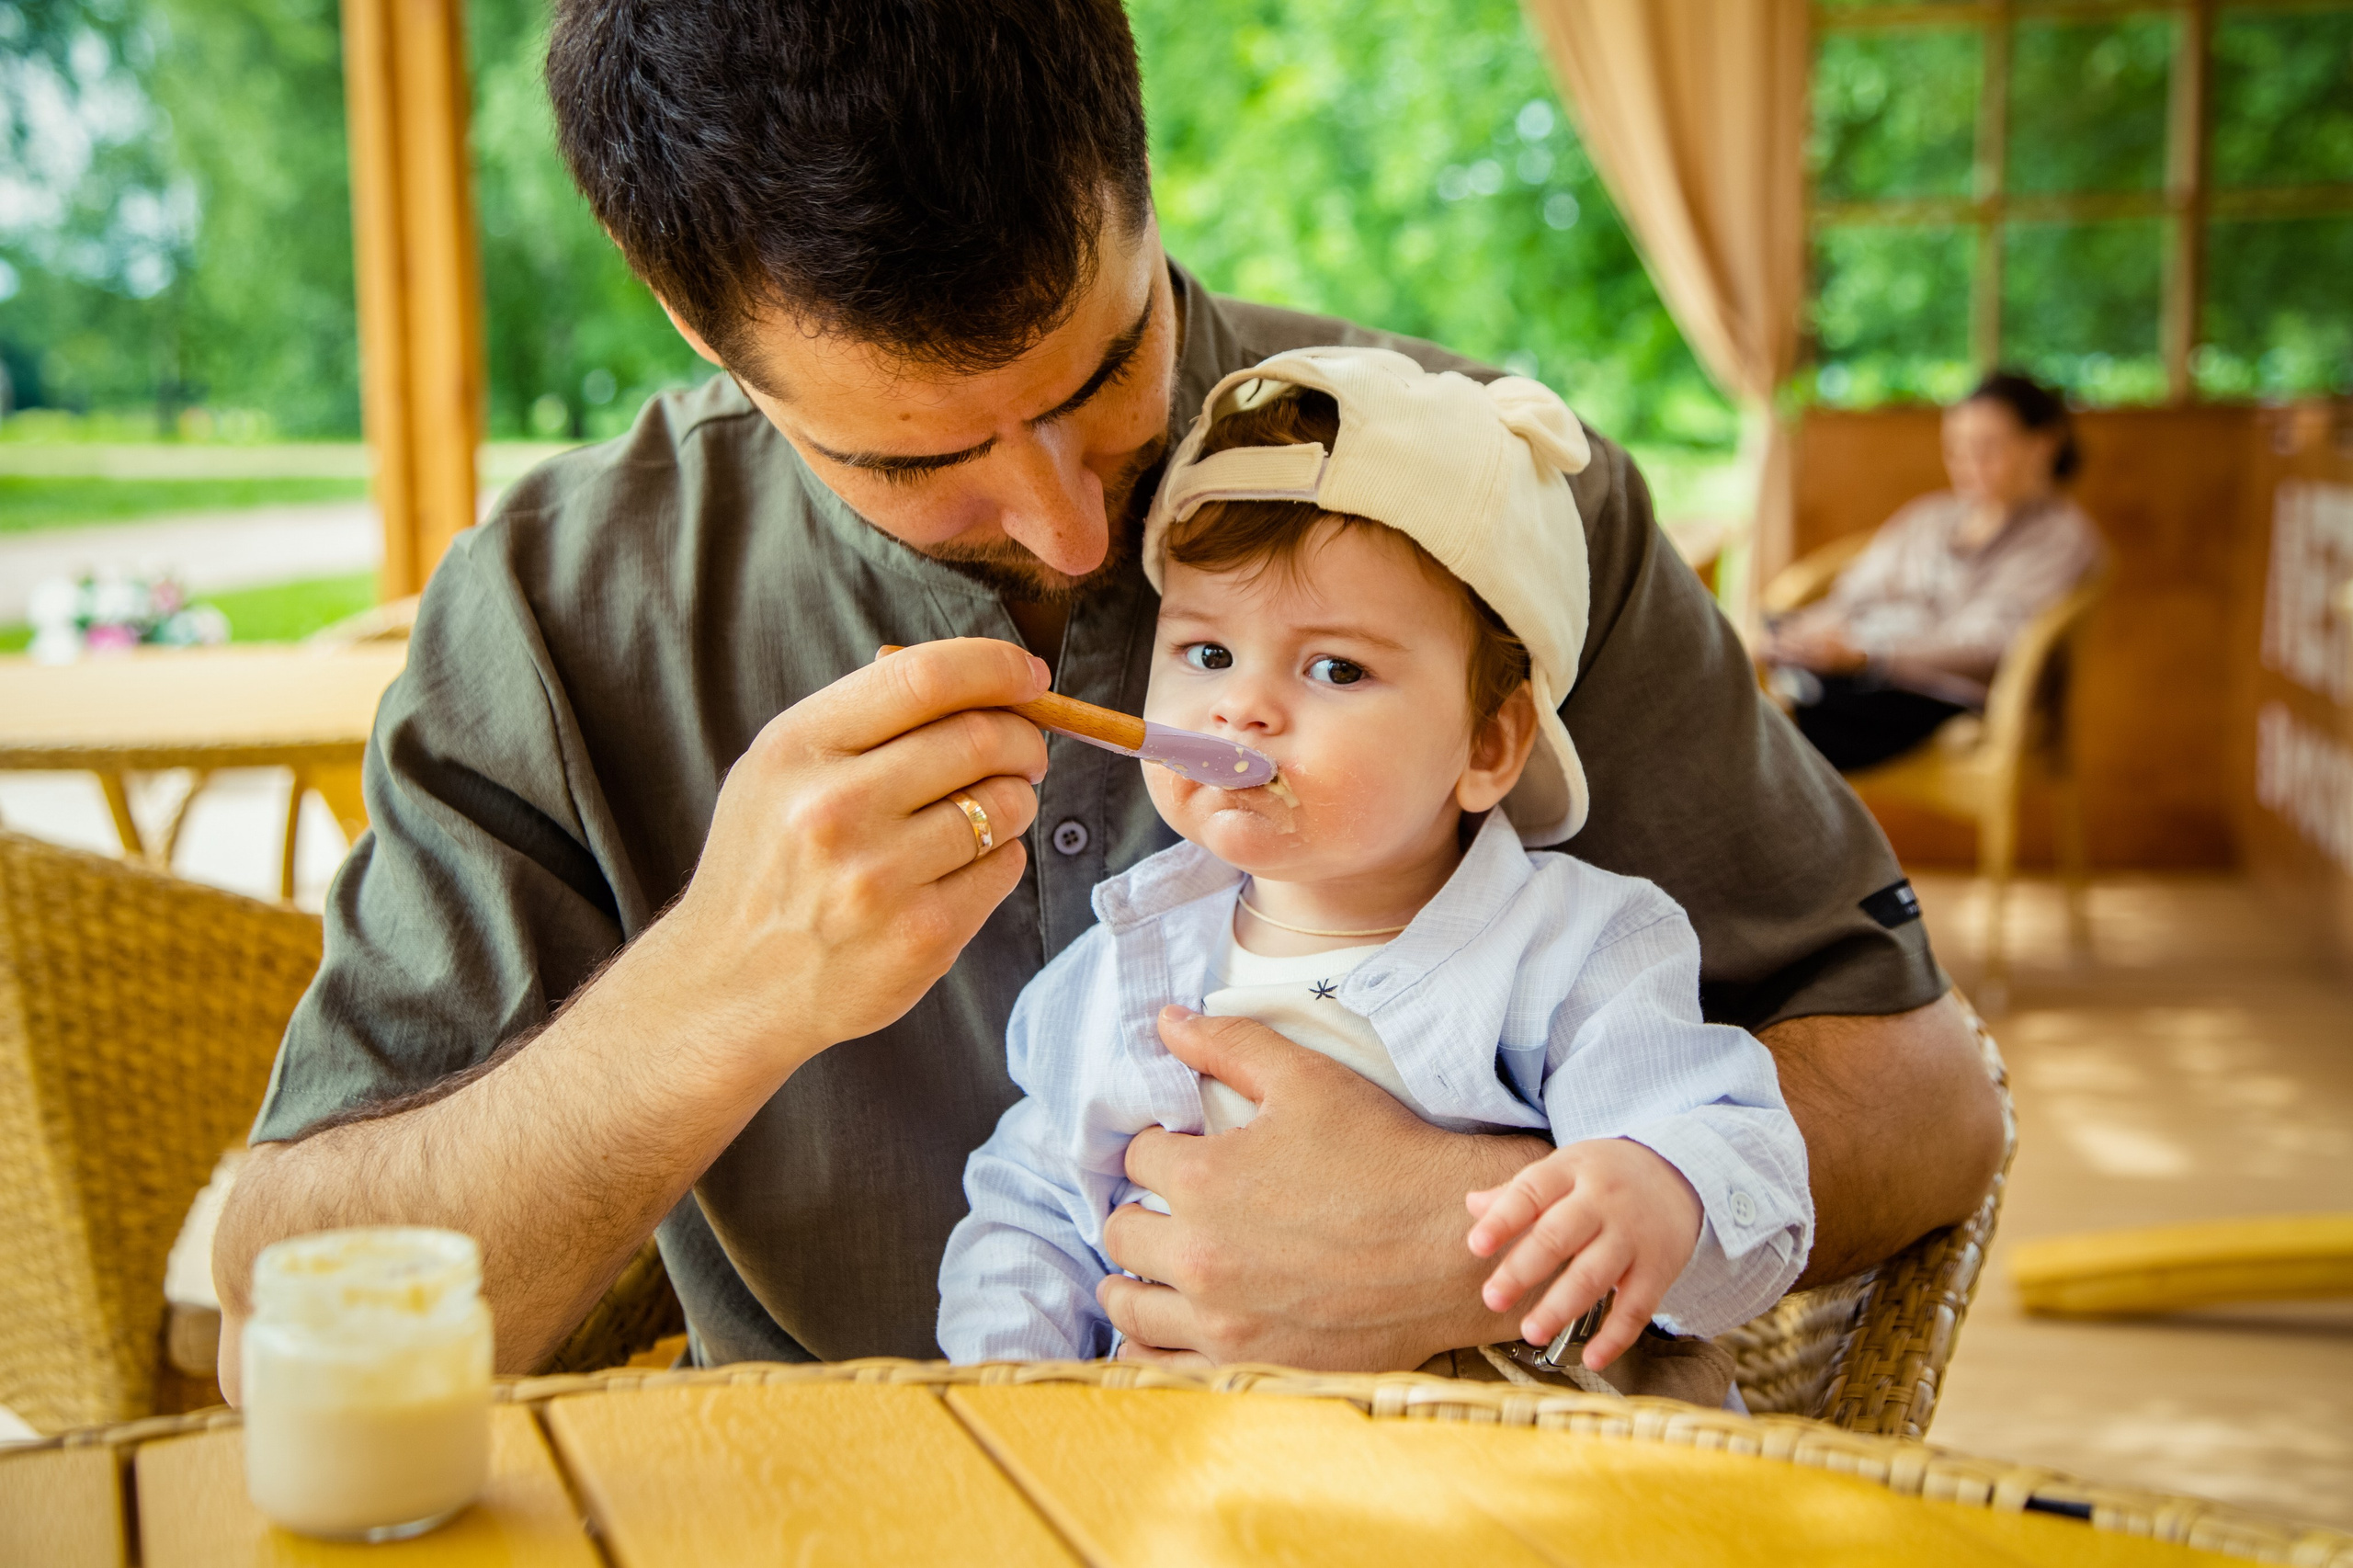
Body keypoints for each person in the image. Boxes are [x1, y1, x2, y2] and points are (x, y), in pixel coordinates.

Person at [212, 0, 2001, 1392]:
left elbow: (1926, 1103)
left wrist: (1465, 1237)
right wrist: (708, 994)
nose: (1076, 522)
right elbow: (275, 1326)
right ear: (704, 335)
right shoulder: (554, 620)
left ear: (1139, 169)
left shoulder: (1486, 512)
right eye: (919, 462)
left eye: (1108, 370)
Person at [938, 351, 1810, 1406]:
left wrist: (1661, 1189)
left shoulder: (1574, 949)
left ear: (1488, 743)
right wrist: (1004, 1389)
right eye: (1206, 654)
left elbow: (1746, 1169)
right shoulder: (1118, 964)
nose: (1241, 710)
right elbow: (1032, 1203)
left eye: (1335, 668)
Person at [1763, 371, 2107, 773]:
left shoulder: (2060, 537)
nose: (1968, 465)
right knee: (1738, 652)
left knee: (1772, 728)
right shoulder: (1931, 517)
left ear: (2044, 444)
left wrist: (1869, 655)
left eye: (1987, 449)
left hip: (1932, 690)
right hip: (1853, 660)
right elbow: (1854, 594)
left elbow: (1989, 643)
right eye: (1956, 450)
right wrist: (1795, 634)